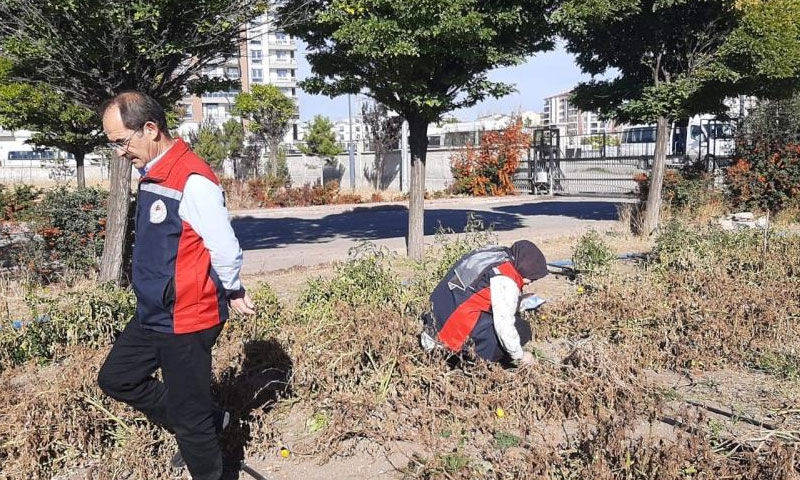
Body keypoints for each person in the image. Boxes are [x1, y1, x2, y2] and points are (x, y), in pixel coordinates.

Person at [96, 91, 256, 480]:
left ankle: (202, 434)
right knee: (117, 378)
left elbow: (225, 247)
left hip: (187, 316)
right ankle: (211, 418)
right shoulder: (151, 170)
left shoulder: (193, 179)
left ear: (150, 129)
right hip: (154, 311)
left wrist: (232, 290)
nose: (119, 152)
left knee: (190, 422)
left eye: (121, 141)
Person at [420, 240, 548, 365]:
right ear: (526, 269)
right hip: (446, 338)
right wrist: (520, 356)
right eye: (532, 278)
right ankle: (470, 362)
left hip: (432, 321)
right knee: (522, 329)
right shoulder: (506, 279)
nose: (531, 281)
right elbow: (504, 326)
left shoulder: (492, 254)